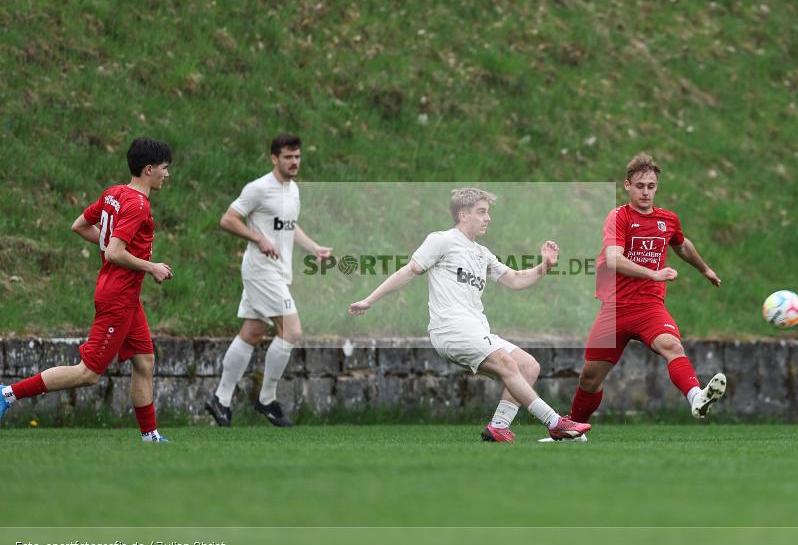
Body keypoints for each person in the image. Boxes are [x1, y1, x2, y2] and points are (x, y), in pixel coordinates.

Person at [348, 188, 591, 443]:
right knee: (507, 364)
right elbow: (409, 271)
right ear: (463, 215)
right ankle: (555, 423)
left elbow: (515, 280)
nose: (488, 218)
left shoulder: (482, 253)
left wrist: (544, 266)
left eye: (488, 212)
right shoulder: (441, 240)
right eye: (481, 212)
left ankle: (498, 427)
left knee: (528, 366)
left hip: (475, 329)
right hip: (450, 328)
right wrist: (369, 300)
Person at [0, 138, 174, 442]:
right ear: (149, 169)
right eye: (164, 168)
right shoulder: (138, 204)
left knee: (144, 361)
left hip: (127, 297)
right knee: (88, 373)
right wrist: (151, 266)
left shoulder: (115, 193)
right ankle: (8, 393)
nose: (167, 174)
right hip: (118, 297)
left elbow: (79, 225)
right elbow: (115, 253)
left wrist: (113, 245)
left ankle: (150, 436)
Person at [566, 155, 726, 435]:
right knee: (590, 379)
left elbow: (681, 243)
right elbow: (614, 258)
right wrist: (653, 273)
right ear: (627, 185)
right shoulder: (619, 217)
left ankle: (696, 397)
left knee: (672, 346)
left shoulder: (667, 219)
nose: (645, 192)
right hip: (614, 309)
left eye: (651, 186)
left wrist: (705, 269)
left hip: (649, 307)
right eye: (639, 185)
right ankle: (569, 430)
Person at [205, 134, 331, 427]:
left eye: (297, 156)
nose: (294, 162)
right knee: (292, 330)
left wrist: (313, 247)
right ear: (274, 158)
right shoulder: (258, 188)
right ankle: (267, 400)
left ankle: (220, 400)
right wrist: (257, 238)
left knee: (252, 332)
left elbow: (288, 226)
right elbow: (228, 219)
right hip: (261, 270)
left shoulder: (293, 190)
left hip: (277, 271)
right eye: (288, 157)